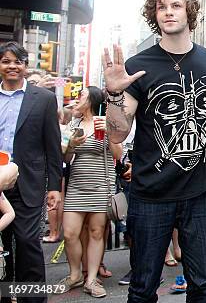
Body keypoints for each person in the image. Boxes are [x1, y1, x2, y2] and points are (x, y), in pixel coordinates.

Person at [102, 0, 206, 303]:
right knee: (142, 290)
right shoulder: (139, 66)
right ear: (154, 14)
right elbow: (117, 133)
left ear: (189, 11)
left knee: (203, 288)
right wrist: (114, 93)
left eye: (176, 5)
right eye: (161, 6)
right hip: (150, 196)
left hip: (197, 195)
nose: (168, 12)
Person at [0, 41, 62, 303]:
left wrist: (54, 187)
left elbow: (52, 146)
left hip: (28, 183)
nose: (12, 66)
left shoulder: (44, 99)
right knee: (1, 245)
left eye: (18, 61)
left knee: (27, 243)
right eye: (6, 61)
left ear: (25, 66)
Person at [57, 86, 123, 297]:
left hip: (101, 185)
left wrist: (111, 133)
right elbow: (65, 159)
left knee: (96, 232)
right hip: (76, 184)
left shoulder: (104, 122)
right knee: (70, 233)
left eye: (81, 96)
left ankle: (92, 279)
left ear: (92, 100)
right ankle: (75, 274)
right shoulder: (73, 124)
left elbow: (118, 154)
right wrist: (71, 146)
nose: (77, 99)